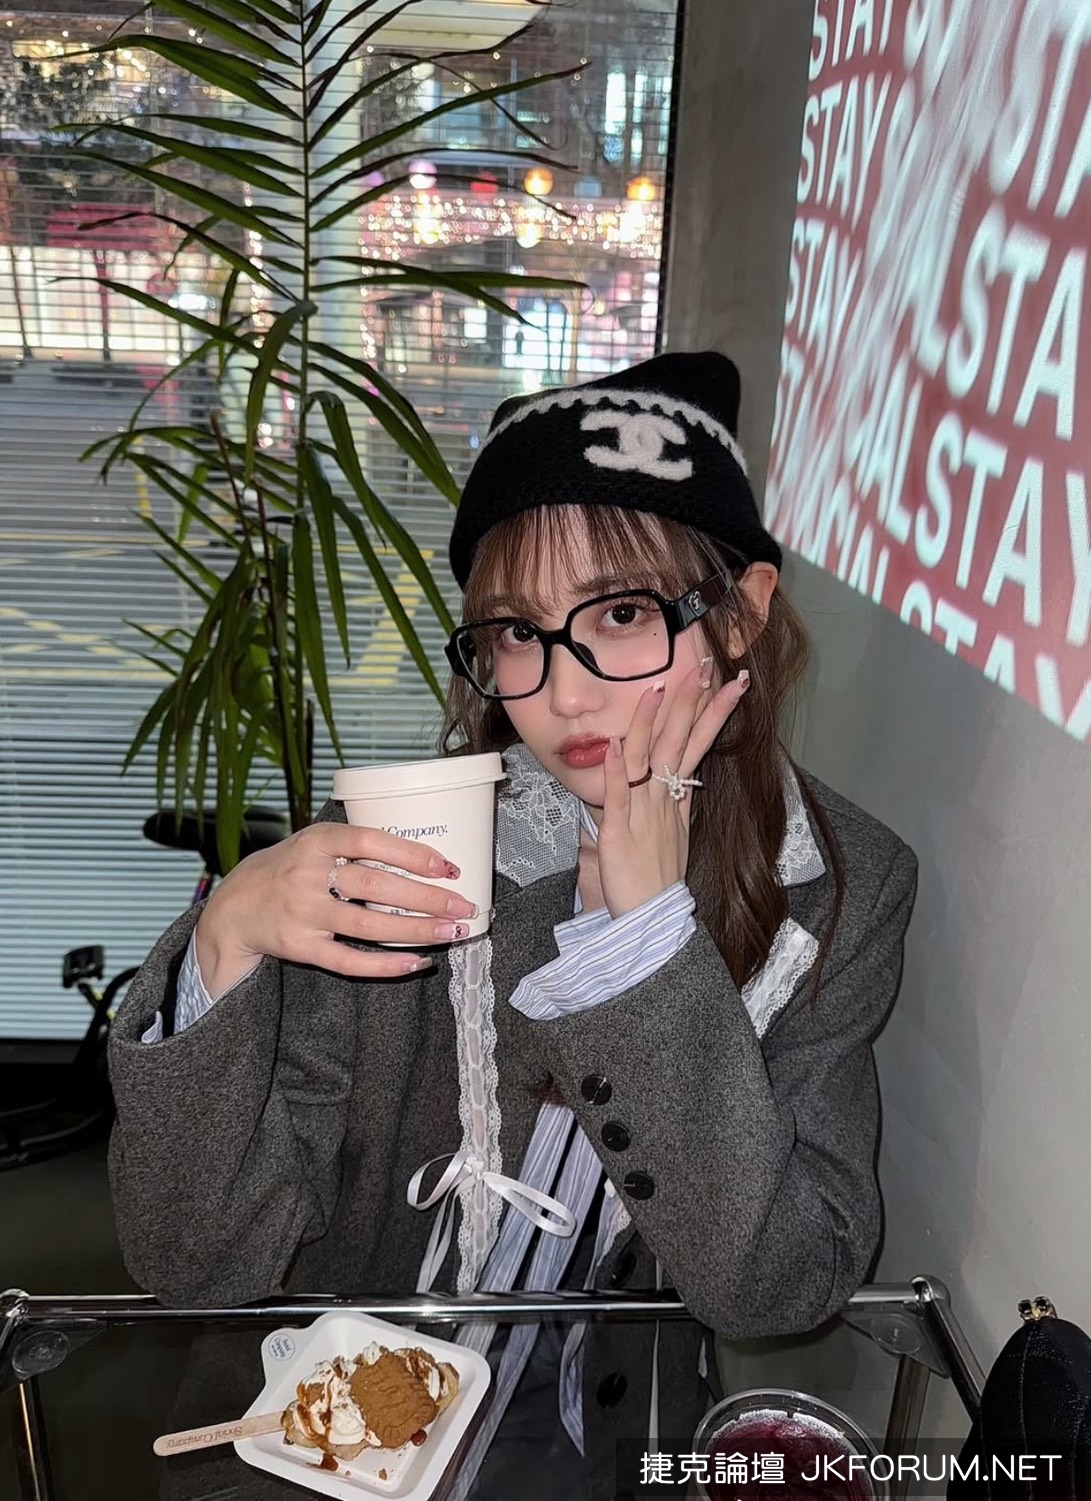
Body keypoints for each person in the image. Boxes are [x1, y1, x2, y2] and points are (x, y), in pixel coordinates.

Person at [108, 351, 918, 1501]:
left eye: (623, 613)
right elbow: (198, 1266)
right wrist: (220, 943)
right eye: (514, 632)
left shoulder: (837, 884)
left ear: (741, 611)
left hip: (600, 1436)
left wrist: (644, 948)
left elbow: (780, 1286)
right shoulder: (402, 849)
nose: (562, 694)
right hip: (320, 1430)